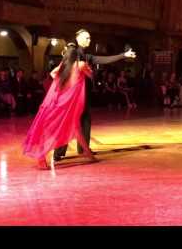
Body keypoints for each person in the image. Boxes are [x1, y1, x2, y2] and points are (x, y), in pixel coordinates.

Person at [53, 29, 136, 161]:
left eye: (90, 38)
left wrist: (124, 55)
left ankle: (83, 148)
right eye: (86, 38)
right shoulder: (73, 51)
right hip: (73, 96)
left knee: (85, 120)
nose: (89, 40)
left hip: (84, 95)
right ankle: (58, 152)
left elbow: (104, 59)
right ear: (78, 38)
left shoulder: (86, 56)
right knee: (69, 122)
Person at [23, 43, 96, 169]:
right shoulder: (81, 64)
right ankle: (42, 156)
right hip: (69, 103)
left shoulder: (63, 66)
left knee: (73, 128)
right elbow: (91, 75)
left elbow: (52, 73)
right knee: (60, 129)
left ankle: (89, 155)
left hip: (59, 101)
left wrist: (62, 84)